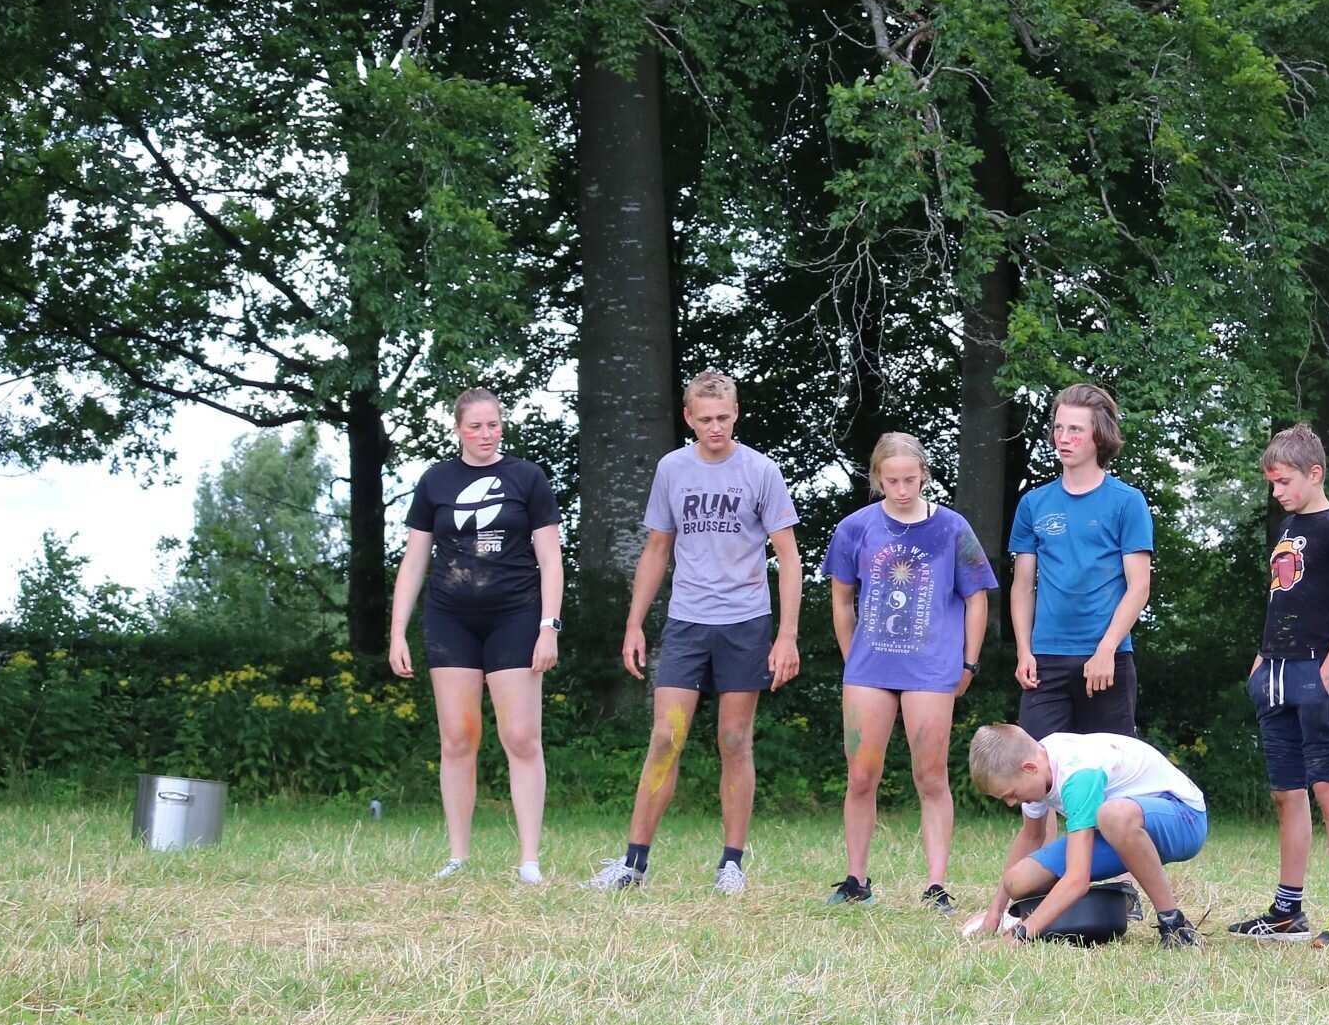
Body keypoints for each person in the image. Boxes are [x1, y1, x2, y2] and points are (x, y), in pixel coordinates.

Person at [587, 371, 802, 895]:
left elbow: (789, 558)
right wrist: (634, 624)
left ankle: (731, 865)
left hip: (745, 622)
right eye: (705, 419)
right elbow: (657, 548)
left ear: (736, 412)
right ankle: (633, 864)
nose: (716, 427)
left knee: (734, 740)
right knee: (666, 736)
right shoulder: (672, 469)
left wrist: (787, 636)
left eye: (724, 417)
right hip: (687, 621)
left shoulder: (761, 470)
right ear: (688, 418)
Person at [388, 387, 563, 884]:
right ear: (458, 430)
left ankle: (529, 860)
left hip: (516, 616)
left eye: (493, 425)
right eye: (475, 427)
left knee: (521, 737)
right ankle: (458, 857)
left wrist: (549, 626)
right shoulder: (435, 481)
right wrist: (397, 632)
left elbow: (551, 560)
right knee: (459, 736)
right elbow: (414, 561)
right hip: (450, 619)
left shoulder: (527, 477)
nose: (486, 435)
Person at [820, 432, 996, 911]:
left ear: (925, 475)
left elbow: (977, 598)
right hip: (869, 671)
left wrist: (969, 661)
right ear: (877, 477)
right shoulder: (855, 528)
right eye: (892, 480)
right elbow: (841, 601)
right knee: (861, 775)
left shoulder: (952, 527)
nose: (901, 489)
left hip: (932, 669)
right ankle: (856, 881)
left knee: (931, 776)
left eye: (910, 479)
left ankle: (936, 885)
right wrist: (853, 658)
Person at [1229, 424, 1329, 944]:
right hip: (1274, 672)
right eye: (1272, 483)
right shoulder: (1288, 528)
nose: (1277, 492)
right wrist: (1259, 663)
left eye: (1284, 481)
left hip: (1317, 668)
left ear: (1315, 473)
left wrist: (1327, 674)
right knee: (1286, 792)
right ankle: (1287, 910)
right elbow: (1281, 600)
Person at [962, 724, 1205, 947]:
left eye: (1011, 794)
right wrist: (994, 914)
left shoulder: (1077, 775)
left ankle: (1173, 924)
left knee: (1113, 815)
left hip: (1184, 820)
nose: (1010, 803)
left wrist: (1021, 935)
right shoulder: (1037, 766)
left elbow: (1077, 880)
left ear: (1029, 768)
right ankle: (1081, 914)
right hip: (1116, 831)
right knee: (1018, 881)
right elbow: (1031, 837)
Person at [1009, 383, 1153, 738]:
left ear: (1098, 436)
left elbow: (1139, 587)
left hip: (1106, 658)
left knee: (1108, 767)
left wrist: (1106, 649)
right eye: (1058, 427)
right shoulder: (1033, 504)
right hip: (1045, 660)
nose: (1063, 438)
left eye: (1075, 429)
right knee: (1038, 766)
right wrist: (1024, 651)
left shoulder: (1127, 501)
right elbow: (1023, 587)